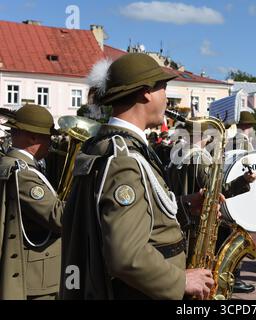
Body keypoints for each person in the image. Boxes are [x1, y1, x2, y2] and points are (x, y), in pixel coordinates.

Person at [60, 53, 214, 300]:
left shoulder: (105, 145)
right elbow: (126, 255)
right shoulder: (124, 159)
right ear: (146, 93)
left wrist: (184, 205)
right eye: (163, 89)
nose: (166, 99)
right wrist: (181, 280)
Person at [168, 122, 256, 293]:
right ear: (207, 136)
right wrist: (244, 180)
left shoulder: (177, 155)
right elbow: (216, 191)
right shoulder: (200, 157)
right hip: (196, 226)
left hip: (180, 219)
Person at [0, 104, 64, 300]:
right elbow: (58, 218)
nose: (51, 143)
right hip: (35, 278)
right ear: (33, 137)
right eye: (48, 137)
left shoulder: (10, 163)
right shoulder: (23, 173)